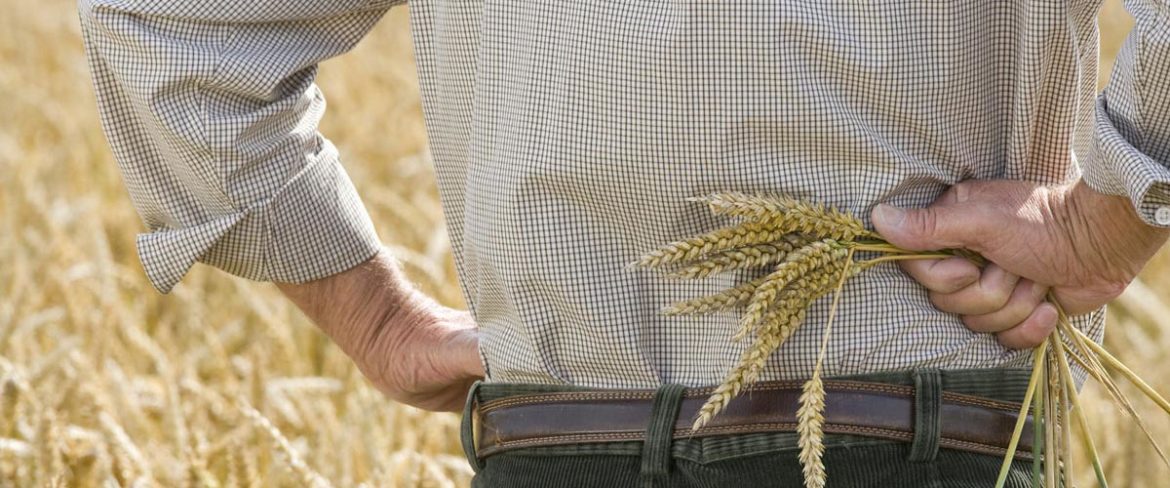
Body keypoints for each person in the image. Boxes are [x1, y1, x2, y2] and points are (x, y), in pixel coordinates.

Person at [77, 0, 1169, 486]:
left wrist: (377, 323)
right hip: (914, 433)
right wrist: (1103, 218)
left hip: (556, 437)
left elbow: (162, 27)